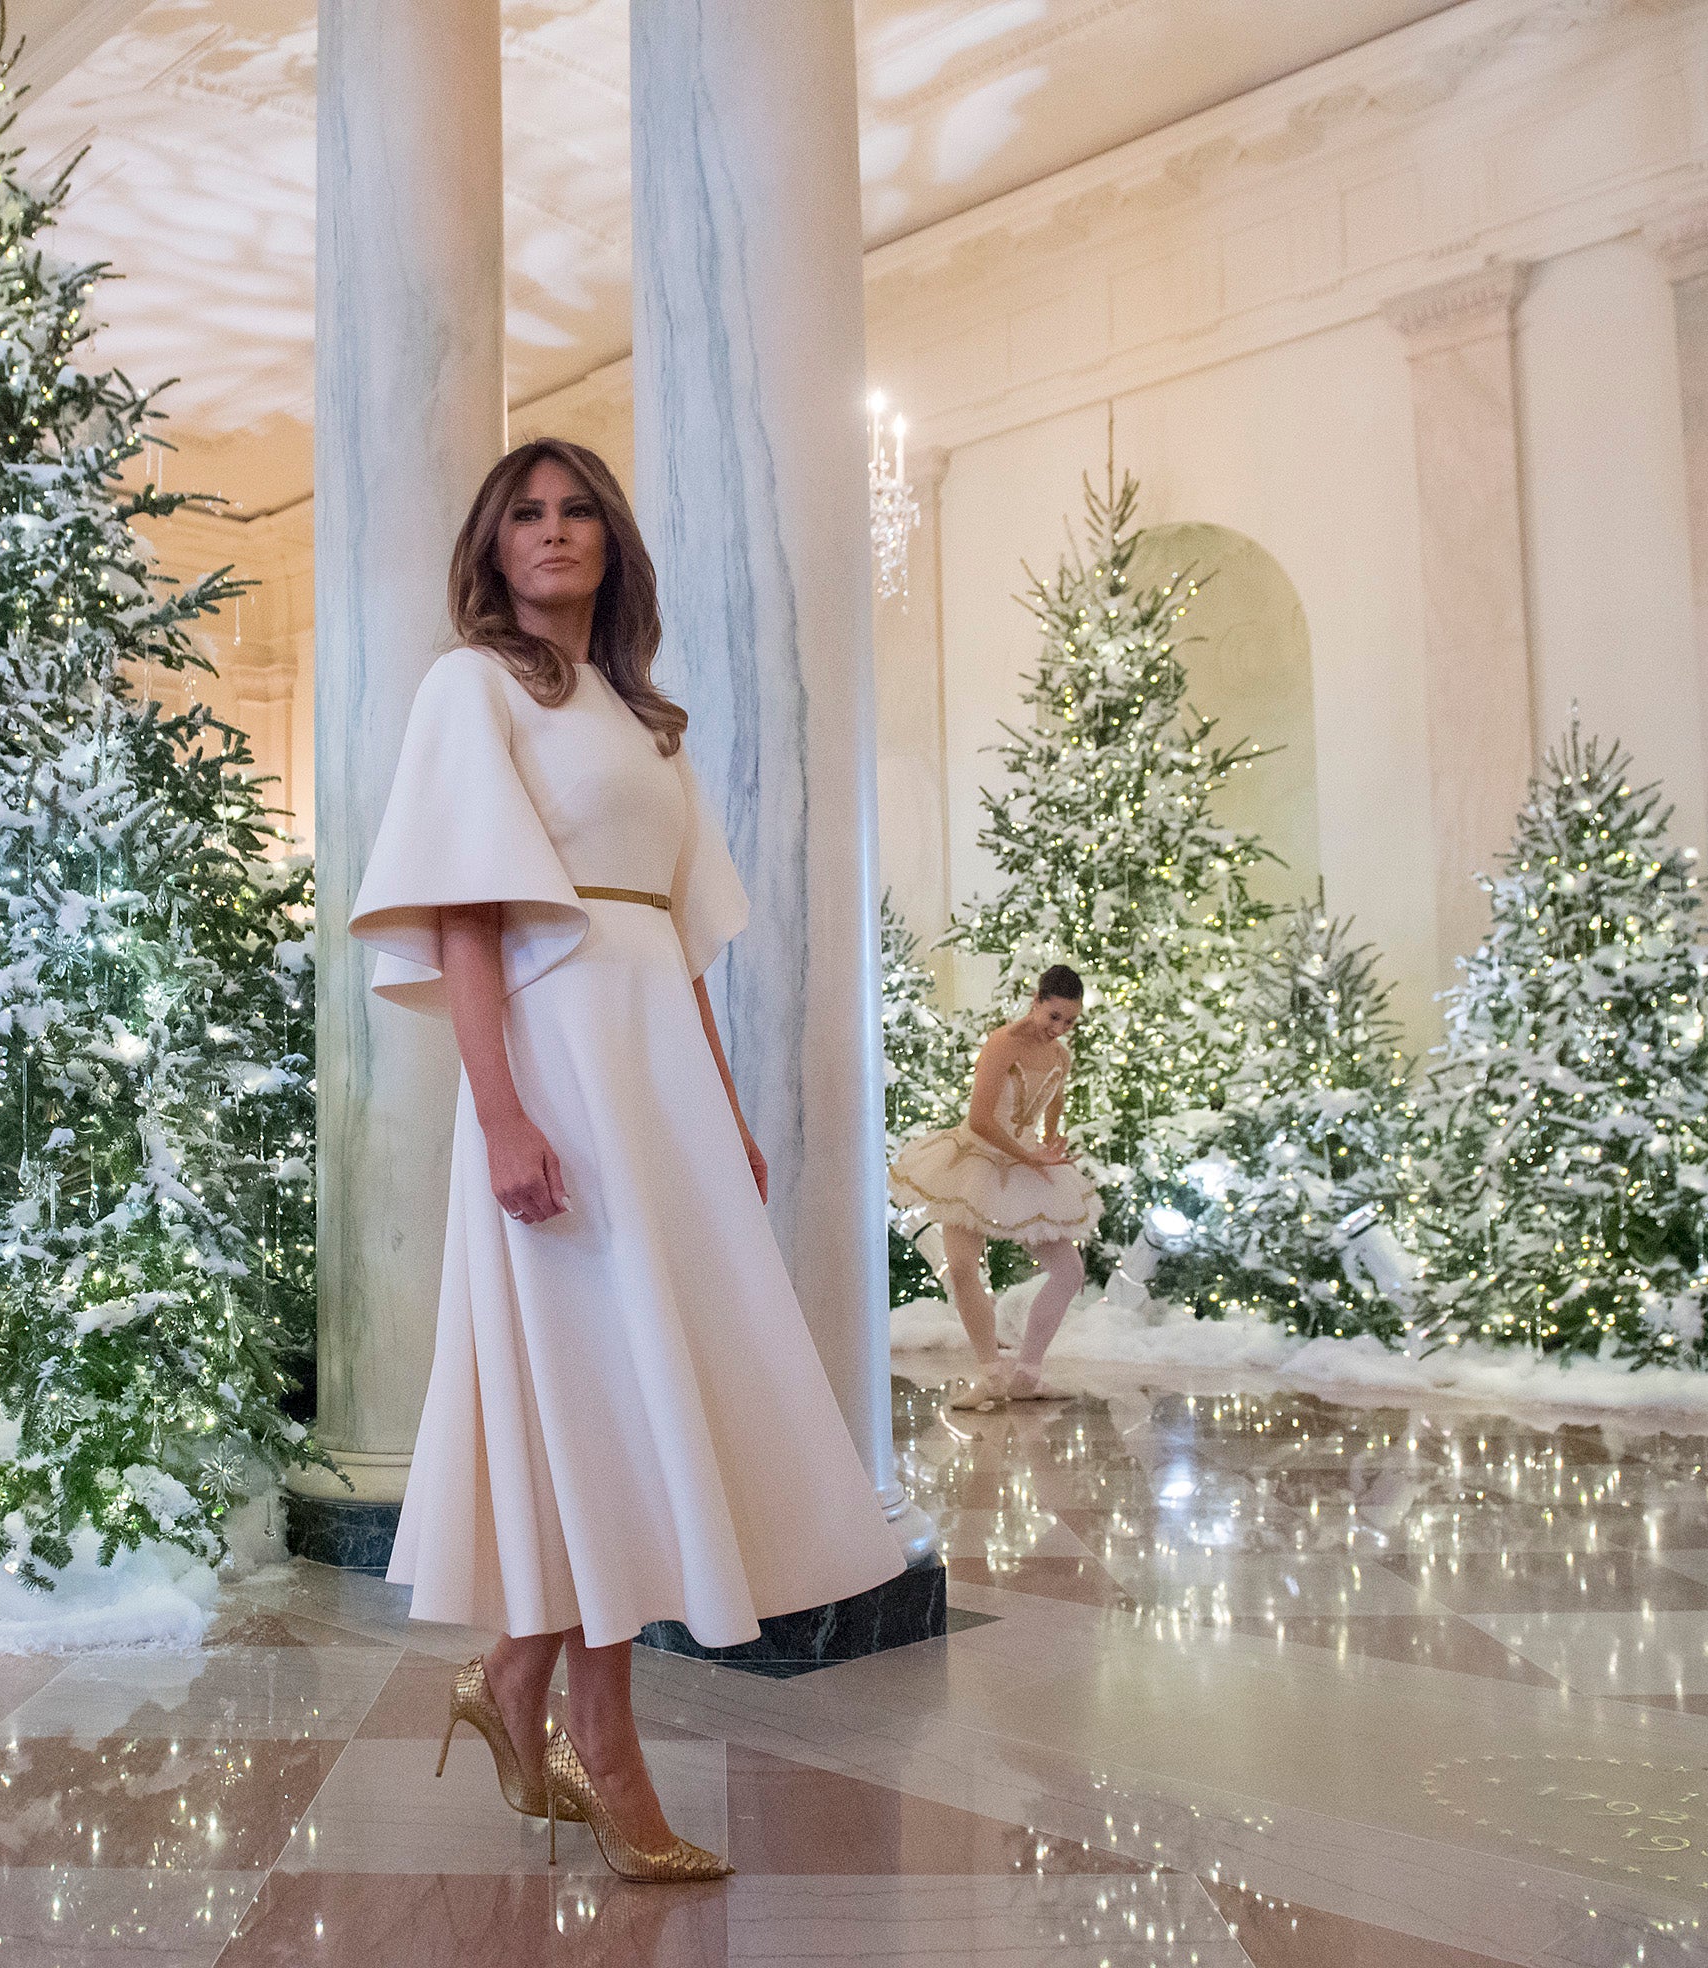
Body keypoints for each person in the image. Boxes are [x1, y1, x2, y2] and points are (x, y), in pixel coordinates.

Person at [347, 437, 905, 1883]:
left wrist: (720, 1113)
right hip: (554, 1070)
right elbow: (464, 916)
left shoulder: (644, 719)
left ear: (610, 541)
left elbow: (679, 943)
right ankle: (602, 1746)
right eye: (523, 513)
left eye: (575, 509)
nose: (550, 531)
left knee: (647, 1394)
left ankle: (515, 1679)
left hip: (654, 1079)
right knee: (592, 1397)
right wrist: (503, 1112)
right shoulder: (470, 686)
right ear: (490, 544)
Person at [888, 967, 1102, 1409]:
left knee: (1069, 1272)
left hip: (1026, 1162)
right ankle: (990, 1374)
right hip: (975, 1160)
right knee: (963, 1267)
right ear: (1036, 1000)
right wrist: (1030, 1156)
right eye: (1055, 1016)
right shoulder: (1002, 1044)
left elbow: (1053, 1103)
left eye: (1070, 1022)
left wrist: (1051, 1141)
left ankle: (1027, 1373)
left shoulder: (1061, 1057)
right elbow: (981, 1120)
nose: (1059, 1029)